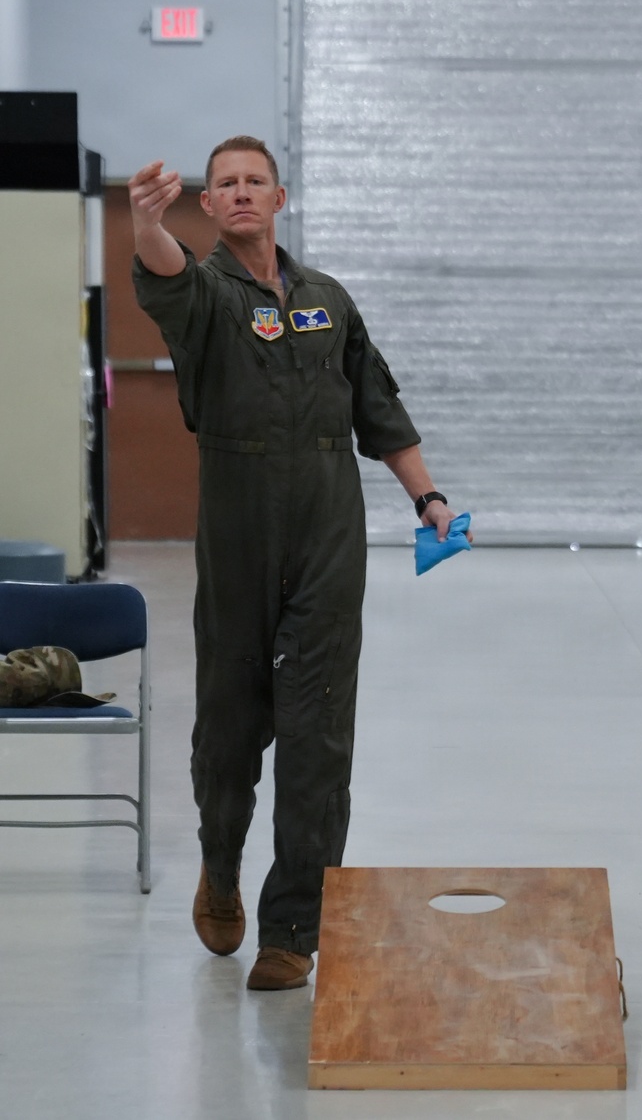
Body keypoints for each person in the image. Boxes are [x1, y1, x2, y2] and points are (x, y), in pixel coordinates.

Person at [129, 137, 463, 991]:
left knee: (318, 737)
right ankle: (219, 866)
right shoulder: (204, 293)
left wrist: (428, 498)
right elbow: (163, 272)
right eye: (225, 185)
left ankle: (292, 931)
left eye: (255, 183)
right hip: (238, 528)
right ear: (208, 205)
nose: (240, 194)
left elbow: (378, 408)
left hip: (326, 528)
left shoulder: (328, 300)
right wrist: (143, 220)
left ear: (280, 199)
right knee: (230, 729)